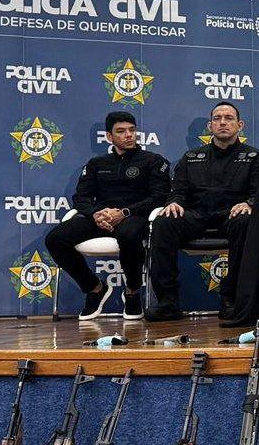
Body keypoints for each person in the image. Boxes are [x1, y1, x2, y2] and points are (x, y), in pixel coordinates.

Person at [145, 101, 259, 322]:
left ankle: (231, 298)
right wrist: (174, 202)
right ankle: (167, 302)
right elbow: (178, 191)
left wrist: (249, 203)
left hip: (232, 216)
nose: (223, 122)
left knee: (245, 220)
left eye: (228, 118)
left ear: (240, 125)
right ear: (210, 126)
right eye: (217, 118)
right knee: (164, 221)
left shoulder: (254, 157)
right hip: (197, 215)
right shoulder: (191, 157)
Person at [45, 110, 169, 321]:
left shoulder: (153, 161)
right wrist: (95, 214)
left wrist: (124, 212)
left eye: (132, 130)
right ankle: (94, 288)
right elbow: (81, 198)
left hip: (134, 216)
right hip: (100, 217)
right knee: (55, 239)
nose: (128, 135)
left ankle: (132, 291)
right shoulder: (96, 164)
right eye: (121, 131)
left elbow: (159, 197)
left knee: (130, 235)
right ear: (110, 137)